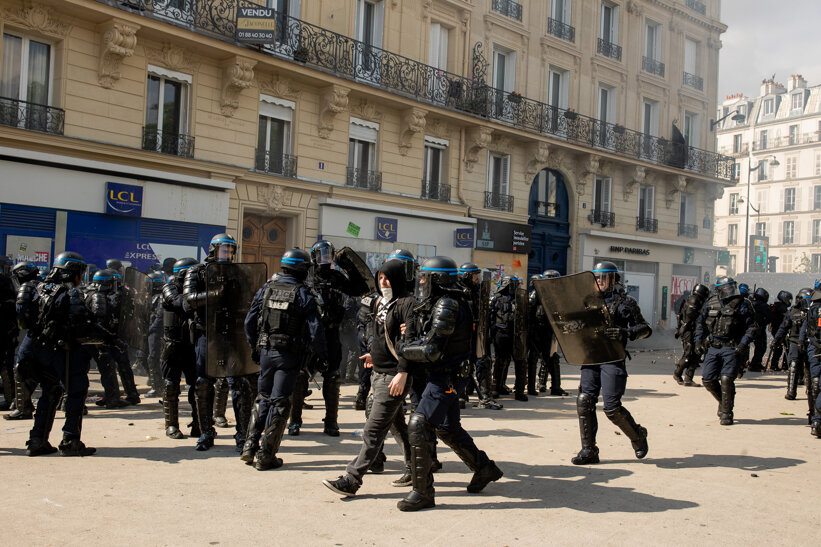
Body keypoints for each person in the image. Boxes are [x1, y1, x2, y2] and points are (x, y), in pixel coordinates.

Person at [394, 256, 503, 512]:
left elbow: (431, 350)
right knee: (447, 428)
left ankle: (423, 493)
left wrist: (403, 347)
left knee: (419, 425)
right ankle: (484, 468)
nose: (421, 281)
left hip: (447, 375)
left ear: (438, 280)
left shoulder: (447, 304)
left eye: (426, 277)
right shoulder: (437, 302)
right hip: (446, 374)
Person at [322, 258, 416, 496]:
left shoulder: (407, 304)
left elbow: (408, 342)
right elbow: (380, 336)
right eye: (380, 278)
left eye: (388, 278)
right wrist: (374, 355)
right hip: (378, 373)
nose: (384, 282)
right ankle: (416, 468)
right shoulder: (379, 303)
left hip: (393, 378)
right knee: (396, 426)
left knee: (372, 430)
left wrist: (403, 372)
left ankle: (352, 479)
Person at [242, 248, 327, 469]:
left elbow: (249, 321)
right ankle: (266, 456)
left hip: (266, 352)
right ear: (301, 269)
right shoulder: (302, 293)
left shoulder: (267, 288)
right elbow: (316, 330)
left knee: (262, 397)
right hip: (288, 355)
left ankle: (249, 448)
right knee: (279, 403)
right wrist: (323, 356)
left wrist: (254, 346)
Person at [26, 252, 109, 456]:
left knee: (49, 393)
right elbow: (82, 323)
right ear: (72, 272)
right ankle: (70, 440)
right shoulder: (69, 292)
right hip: (64, 352)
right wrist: (109, 338)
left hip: (39, 351)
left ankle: (37, 440)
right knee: (76, 392)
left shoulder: (36, 288)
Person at [571, 261, 651, 465]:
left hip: (613, 358)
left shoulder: (626, 302)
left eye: (604, 277)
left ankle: (638, 436)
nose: (600, 281)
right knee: (584, 401)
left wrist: (626, 332)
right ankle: (589, 450)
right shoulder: (587, 301)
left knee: (612, 408)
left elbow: (644, 328)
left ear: (614, 279)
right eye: (597, 278)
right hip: (591, 357)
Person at [183, 233, 238, 450]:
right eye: (225, 249)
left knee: (239, 383)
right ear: (213, 250)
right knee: (203, 383)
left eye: (231, 250)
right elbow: (188, 302)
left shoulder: (238, 272)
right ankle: (206, 431)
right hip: (206, 333)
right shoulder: (197, 271)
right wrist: (215, 293)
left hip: (232, 334)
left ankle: (242, 434)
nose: (228, 254)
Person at [694, 276, 757, 426]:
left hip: (731, 347)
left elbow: (752, 327)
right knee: (708, 380)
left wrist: (743, 345)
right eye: (726, 288)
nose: (730, 290)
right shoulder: (710, 303)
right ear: (719, 290)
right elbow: (700, 323)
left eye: (731, 287)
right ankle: (723, 402)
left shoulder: (743, 304)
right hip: (713, 346)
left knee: (726, 379)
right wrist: (698, 341)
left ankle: (727, 412)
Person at [159, 258, 199, 439]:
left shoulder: (196, 288)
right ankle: (171, 425)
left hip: (192, 344)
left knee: (198, 386)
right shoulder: (170, 288)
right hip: (173, 345)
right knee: (171, 385)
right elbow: (180, 303)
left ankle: (199, 423)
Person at [4, 262, 41, 420]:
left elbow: (20, 312)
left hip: (34, 333)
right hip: (47, 335)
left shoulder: (27, 287)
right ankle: (23, 403)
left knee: (21, 367)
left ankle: (23, 408)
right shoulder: (43, 285)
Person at [528, 270, 568, 396]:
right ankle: (531, 387)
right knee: (533, 357)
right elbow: (529, 311)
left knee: (552, 357)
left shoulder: (557, 295)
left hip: (550, 330)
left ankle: (555, 387)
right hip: (538, 329)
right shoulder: (537, 293)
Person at [490, 275, 527, 400]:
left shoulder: (521, 299)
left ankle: (520, 390)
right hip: (501, 332)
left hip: (517, 333)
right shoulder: (497, 298)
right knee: (500, 361)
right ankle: (496, 387)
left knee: (520, 362)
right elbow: (490, 316)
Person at [774, 288, 810, 401]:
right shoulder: (793, 312)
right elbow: (784, 327)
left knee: (809, 368)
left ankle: (810, 391)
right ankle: (791, 391)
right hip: (794, 342)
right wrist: (776, 340)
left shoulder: (813, 311)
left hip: (809, 343)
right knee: (793, 366)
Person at [673, 283, 710, 386]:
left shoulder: (697, 301)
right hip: (688, 331)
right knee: (688, 354)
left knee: (696, 355)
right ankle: (677, 373)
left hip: (694, 331)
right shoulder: (693, 300)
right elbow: (691, 317)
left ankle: (688, 378)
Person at [798, 286, 821, 438]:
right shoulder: (814, 309)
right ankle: (816, 419)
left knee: (815, 384)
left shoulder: (813, 307)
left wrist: (801, 342)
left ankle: (814, 419)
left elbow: (805, 329)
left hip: (814, 348)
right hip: (815, 347)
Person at [0, 256, 19, 411]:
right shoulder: (5, 282)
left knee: (6, 367)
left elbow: (10, 309)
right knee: (6, 367)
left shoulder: (5, 282)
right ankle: (10, 398)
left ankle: (10, 398)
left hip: (5, 332)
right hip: (6, 332)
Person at [747, 288, 771, 372]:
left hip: (748, 328)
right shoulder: (764, 306)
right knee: (761, 347)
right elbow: (769, 317)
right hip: (758, 329)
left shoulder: (749, 303)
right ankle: (754, 364)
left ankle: (743, 363)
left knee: (745, 346)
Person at [768, 291, 793, 371]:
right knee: (785, 347)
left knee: (779, 347)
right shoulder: (781, 307)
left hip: (776, 329)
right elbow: (787, 316)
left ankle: (774, 365)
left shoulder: (776, 305)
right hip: (779, 330)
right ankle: (782, 366)